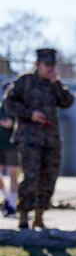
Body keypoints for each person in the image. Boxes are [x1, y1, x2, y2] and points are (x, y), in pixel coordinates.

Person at [4, 49, 74, 229]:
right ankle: (23, 217)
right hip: (29, 139)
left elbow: (67, 102)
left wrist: (56, 82)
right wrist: (30, 114)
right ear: (37, 64)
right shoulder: (25, 81)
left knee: (48, 178)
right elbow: (9, 103)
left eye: (52, 65)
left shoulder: (54, 84)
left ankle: (39, 216)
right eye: (47, 65)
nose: (50, 68)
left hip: (51, 140)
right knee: (31, 177)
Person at [0, 81, 19, 216]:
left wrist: (12, 123)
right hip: (0, 145)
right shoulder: (1, 108)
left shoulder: (17, 108)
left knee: (13, 175)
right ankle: (6, 199)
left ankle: (12, 206)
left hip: (13, 146)